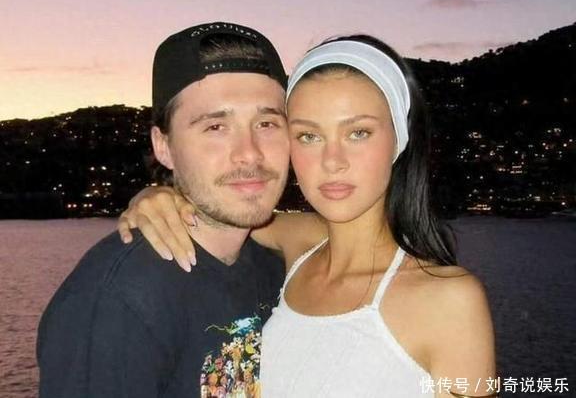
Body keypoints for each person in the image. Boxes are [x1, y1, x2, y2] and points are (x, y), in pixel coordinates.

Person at [120, 35, 498, 397]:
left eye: (358, 133)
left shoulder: (449, 301)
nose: (333, 161)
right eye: (309, 136)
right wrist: (159, 195)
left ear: (399, 139)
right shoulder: (298, 244)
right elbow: (226, 213)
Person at [36, 22, 290, 398]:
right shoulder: (120, 298)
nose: (249, 153)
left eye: (267, 123)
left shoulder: (279, 269)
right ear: (163, 146)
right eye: (216, 127)